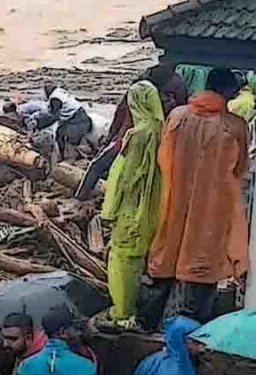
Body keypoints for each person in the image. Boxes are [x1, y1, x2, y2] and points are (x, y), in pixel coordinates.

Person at [143, 68, 250, 328]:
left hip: (173, 199)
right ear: (228, 91)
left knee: (165, 256)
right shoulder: (235, 126)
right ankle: (192, 327)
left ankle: (147, 321)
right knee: (203, 265)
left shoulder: (177, 116)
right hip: (211, 206)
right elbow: (240, 169)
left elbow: (162, 158)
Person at [100, 81, 165, 328]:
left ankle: (122, 314)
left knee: (122, 264)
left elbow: (121, 177)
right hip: (155, 209)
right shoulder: (163, 132)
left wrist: (109, 212)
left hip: (132, 211)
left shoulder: (136, 135)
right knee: (142, 262)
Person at [76, 64, 189, 200]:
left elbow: (121, 117)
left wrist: (110, 138)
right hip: (160, 138)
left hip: (132, 138)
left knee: (98, 166)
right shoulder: (169, 97)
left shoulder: (138, 92)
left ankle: (80, 196)